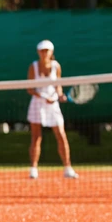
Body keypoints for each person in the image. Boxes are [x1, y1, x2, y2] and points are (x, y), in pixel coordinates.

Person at [26, 40, 78, 180]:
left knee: (61, 135)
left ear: (51, 52)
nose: (44, 53)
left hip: (53, 105)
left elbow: (58, 86)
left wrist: (59, 95)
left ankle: (68, 168)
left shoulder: (56, 67)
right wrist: (44, 97)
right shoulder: (34, 67)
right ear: (38, 52)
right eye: (42, 50)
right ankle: (33, 169)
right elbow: (30, 89)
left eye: (47, 50)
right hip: (37, 104)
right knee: (36, 137)